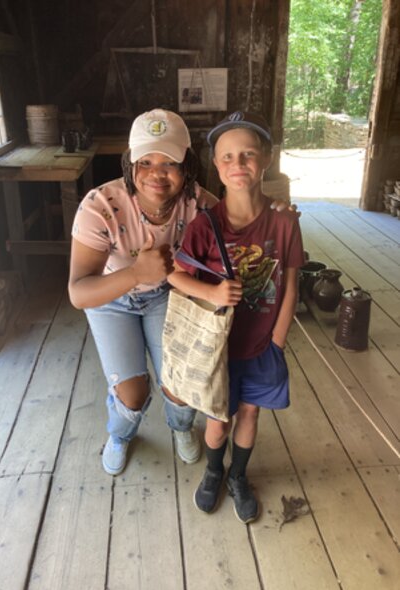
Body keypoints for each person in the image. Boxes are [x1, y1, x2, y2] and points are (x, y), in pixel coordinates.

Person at [68, 108, 294, 477]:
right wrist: (135, 273)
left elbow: (244, 220)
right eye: (145, 162)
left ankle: (180, 426)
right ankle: (121, 433)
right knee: (132, 393)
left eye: (170, 162)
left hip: (167, 295)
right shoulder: (100, 206)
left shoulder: (200, 204)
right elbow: (79, 293)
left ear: (187, 165)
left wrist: (276, 210)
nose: (157, 173)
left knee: (182, 382)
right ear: (129, 164)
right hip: (111, 300)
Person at [168, 111, 305, 523]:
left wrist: (277, 341)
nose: (238, 164)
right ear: (216, 165)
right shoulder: (205, 226)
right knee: (218, 420)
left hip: (263, 345)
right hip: (217, 348)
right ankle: (214, 471)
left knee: (250, 412)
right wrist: (211, 291)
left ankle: (239, 475)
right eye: (227, 156)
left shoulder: (284, 222)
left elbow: (291, 284)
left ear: (266, 159)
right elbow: (175, 275)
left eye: (248, 154)